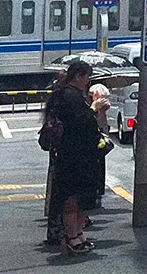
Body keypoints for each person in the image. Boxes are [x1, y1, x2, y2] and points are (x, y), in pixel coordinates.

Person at [43, 61, 104, 255]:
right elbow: (80, 122)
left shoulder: (68, 95)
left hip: (78, 154)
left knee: (80, 197)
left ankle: (78, 234)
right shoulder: (69, 96)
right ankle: (72, 237)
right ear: (78, 76)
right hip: (73, 155)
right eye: (87, 77)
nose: (88, 81)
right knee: (72, 198)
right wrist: (93, 108)